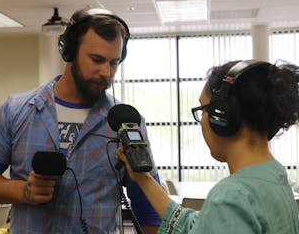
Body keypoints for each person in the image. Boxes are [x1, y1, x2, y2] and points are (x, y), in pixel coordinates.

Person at [0, 8, 161, 233]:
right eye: (96, 60)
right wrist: (22, 191)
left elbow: (149, 208)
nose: (106, 72)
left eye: (114, 63)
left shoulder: (125, 123)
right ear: (70, 51)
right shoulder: (16, 111)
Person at [116, 59, 299, 233]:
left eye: (203, 109)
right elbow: (197, 226)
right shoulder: (275, 176)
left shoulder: (232, 196)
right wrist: (143, 178)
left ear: (223, 115)